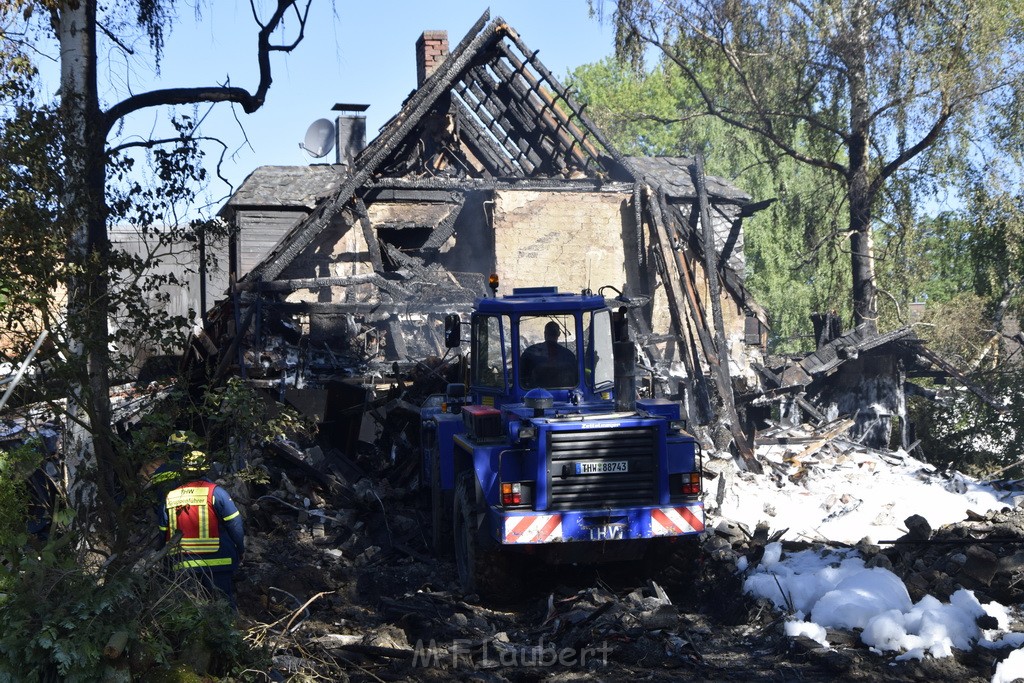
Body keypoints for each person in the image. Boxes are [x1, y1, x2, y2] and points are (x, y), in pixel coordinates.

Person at [159, 449, 245, 611]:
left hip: (183, 565)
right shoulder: (216, 492)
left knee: (191, 611)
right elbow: (235, 524)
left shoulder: (170, 496)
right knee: (224, 607)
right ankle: (229, 634)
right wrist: (240, 549)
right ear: (206, 469)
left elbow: (163, 531)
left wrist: (164, 561)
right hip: (220, 562)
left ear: (183, 469)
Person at [520, 320, 578, 388]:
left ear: (545, 333)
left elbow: (522, 378)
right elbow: (575, 379)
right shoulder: (569, 355)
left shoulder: (529, 353)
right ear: (559, 334)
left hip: (534, 396)